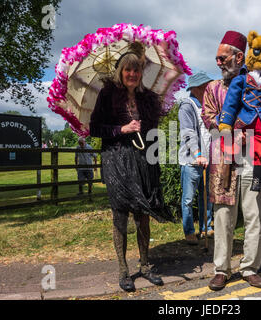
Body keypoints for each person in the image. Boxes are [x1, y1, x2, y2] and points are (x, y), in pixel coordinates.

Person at [89, 42, 173, 292]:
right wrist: (121, 129)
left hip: (142, 160)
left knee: (143, 215)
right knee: (120, 216)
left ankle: (146, 265)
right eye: (128, 70)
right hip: (116, 160)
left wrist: (154, 158)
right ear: (120, 71)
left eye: (136, 71)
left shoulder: (148, 98)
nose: (133, 75)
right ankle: (123, 270)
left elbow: (155, 132)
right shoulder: (107, 95)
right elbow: (94, 128)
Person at [202, 30, 261, 290]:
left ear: (239, 57)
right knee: (223, 216)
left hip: (254, 157)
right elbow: (209, 118)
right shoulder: (212, 88)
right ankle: (221, 269)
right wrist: (234, 132)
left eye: (222, 58)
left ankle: (250, 268)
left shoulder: (260, 84)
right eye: (217, 59)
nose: (218, 63)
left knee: (254, 215)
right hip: (223, 160)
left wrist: (249, 134)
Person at [179, 71, 214, 245]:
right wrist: (198, 154)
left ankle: (205, 227)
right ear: (198, 88)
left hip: (208, 159)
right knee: (188, 198)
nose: (209, 89)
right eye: (206, 86)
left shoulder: (208, 106)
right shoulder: (187, 105)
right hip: (192, 161)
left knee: (206, 198)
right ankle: (189, 231)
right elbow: (188, 133)